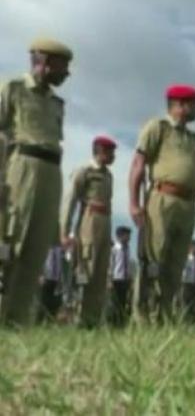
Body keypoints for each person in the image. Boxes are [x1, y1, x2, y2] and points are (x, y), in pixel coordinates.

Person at [0, 38, 71, 325]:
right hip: (21, 168)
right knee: (11, 241)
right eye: (63, 66)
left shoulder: (56, 103)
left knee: (37, 247)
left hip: (51, 171)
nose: (66, 74)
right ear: (43, 61)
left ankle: (16, 322)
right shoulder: (14, 88)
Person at [129, 84, 195, 323]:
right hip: (161, 199)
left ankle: (165, 315)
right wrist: (134, 203)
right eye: (192, 104)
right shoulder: (157, 128)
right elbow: (138, 165)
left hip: (188, 204)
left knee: (176, 263)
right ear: (178, 105)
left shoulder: (194, 139)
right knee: (153, 259)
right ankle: (143, 318)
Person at [61, 135, 116, 328]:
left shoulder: (108, 175)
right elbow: (70, 201)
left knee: (101, 272)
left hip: (105, 220)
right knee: (86, 268)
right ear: (99, 151)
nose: (113, 156)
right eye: (109, 151)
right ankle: (77, 316)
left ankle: (91, 319)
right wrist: (64, 232)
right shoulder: (85, 172)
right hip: (88, 220)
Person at [108, 226, 134, 327]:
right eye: (127, 235)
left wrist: (130, 277)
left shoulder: (127, 249)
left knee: (123, 301)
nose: (129, 238)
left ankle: (121, 323)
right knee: (115, 302)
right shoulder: (115, 249)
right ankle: (113, 322)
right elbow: (111, 265)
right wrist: (109, 279)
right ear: (120, 236)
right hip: (116, 279)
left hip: (125, 279)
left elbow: (128, 264)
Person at [39, 244, 65, 322]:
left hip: (57, 281)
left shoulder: (60, 250)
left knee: (55, 303)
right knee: (44, 301)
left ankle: (51, 320)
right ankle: (41, 320)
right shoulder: (45, 246)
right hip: (46, 279)